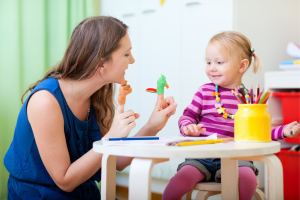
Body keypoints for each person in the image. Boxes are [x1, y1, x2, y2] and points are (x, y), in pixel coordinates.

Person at [4, 16, 177, 200]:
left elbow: (114, 161)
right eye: (126, 54)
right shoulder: (45, 102)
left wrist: (152, 125)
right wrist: (111, 136)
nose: (132, 60)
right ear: (101, 63)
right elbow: (65, 180)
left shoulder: (98, 95)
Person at [162, 31, 300, 200]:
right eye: (208, 62)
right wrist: (187, 127)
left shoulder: (250, 99)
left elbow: (259, 133)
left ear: (242, 66)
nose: (212, 67)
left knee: (248, 179)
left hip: (237, 158)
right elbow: (187, 116)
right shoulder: (204, 91)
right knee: (179, 181)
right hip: (201, 157)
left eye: (219, 62)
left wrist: (283, 131)